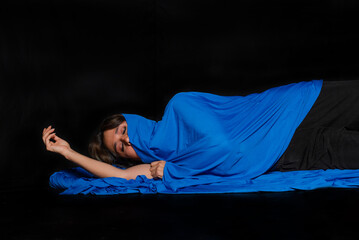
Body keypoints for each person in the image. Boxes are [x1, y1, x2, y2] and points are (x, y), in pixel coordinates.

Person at [43, 80, 359, 193]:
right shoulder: (156, 166)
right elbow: (116, 176)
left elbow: (221, 143)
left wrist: (179, 170)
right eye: (121, 147)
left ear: (133, 120)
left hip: (293, 105)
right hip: (287, 151)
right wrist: (68, 153)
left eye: (124, 131)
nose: (127, 141)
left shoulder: (179, 105)